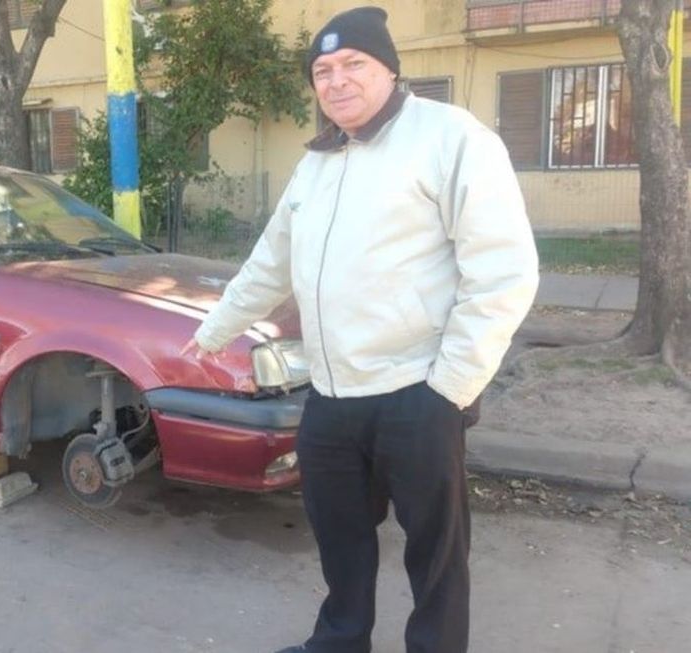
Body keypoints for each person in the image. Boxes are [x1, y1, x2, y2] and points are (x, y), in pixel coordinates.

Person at [182, 6, 539, 653]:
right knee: (339, 534)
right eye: (322, 70)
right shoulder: (318, 162)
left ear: (390, 70)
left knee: (435, 549)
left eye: (353, 64)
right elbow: (270, 262)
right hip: (331, 393)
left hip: (417, 390)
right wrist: (214, 331)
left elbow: (503, 272)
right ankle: (341, 641)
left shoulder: (451, 137)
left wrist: (451, 387)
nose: (337, 80)